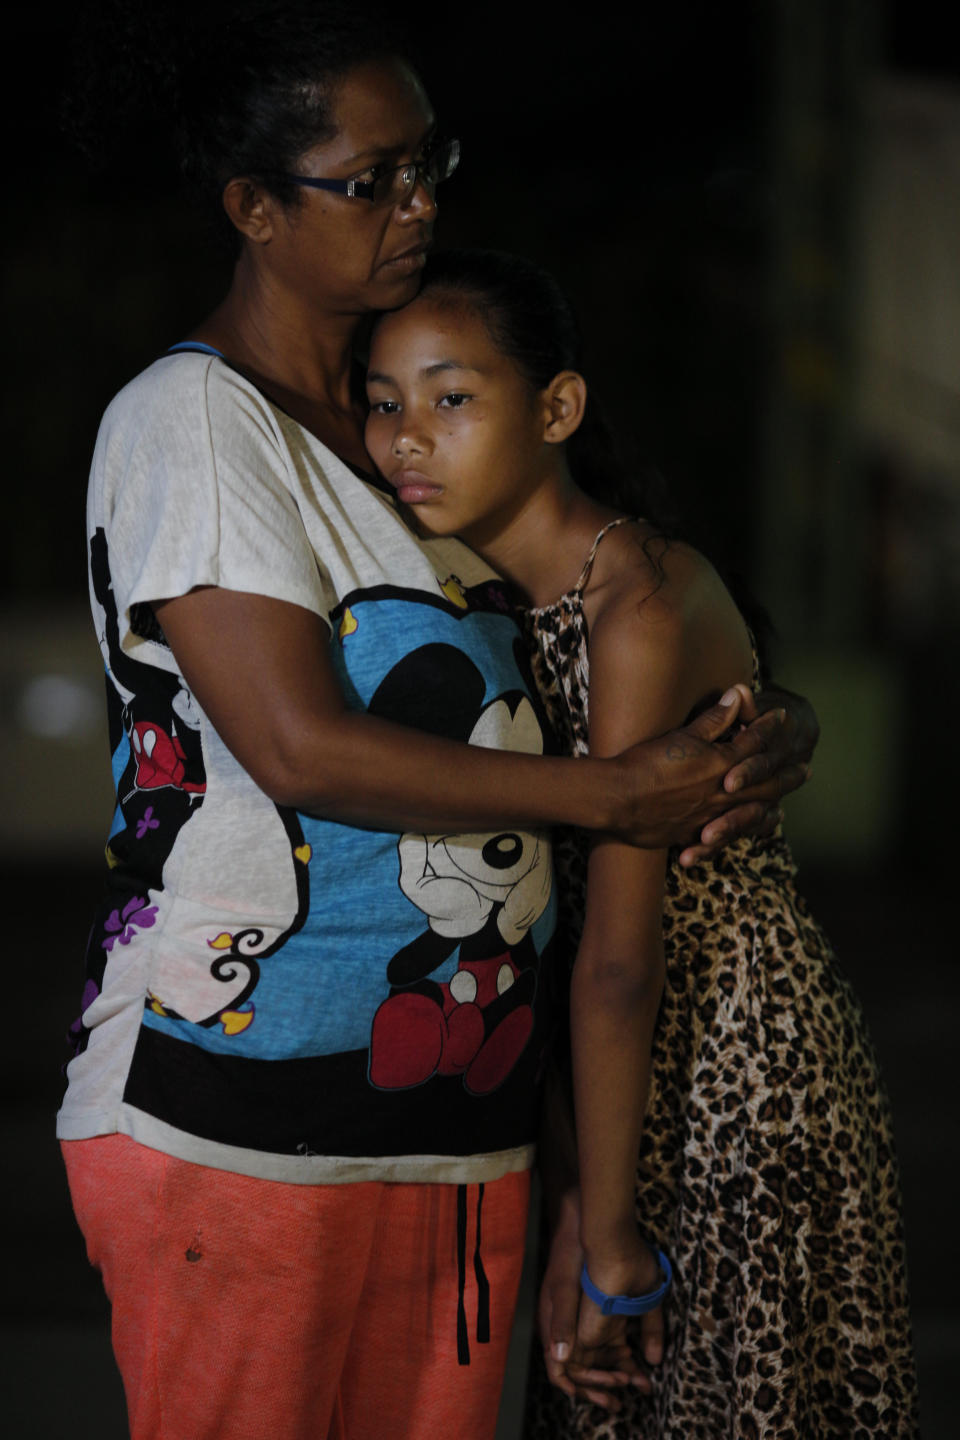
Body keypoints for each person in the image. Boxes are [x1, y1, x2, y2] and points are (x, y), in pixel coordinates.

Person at [58, 7, 813, 1438]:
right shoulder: (197, 422)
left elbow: (598, 636)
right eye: (374, 178)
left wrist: (765, 717)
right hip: (240, 1122)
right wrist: (624, 797)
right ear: (257, 210)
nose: (420, 205)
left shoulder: (405, 438)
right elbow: (302, 751)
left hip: (457, 1132)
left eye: (431, 167)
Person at [362, 248, 919, 1438]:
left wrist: (604, 1234)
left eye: (452, 397)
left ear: (556, 408)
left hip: (727, 1064)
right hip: (595, 1066)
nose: (408, 435)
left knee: (708, 1392)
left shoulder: (637, 606)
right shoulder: (470, 596)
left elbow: (620, 954)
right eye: (383, 401)